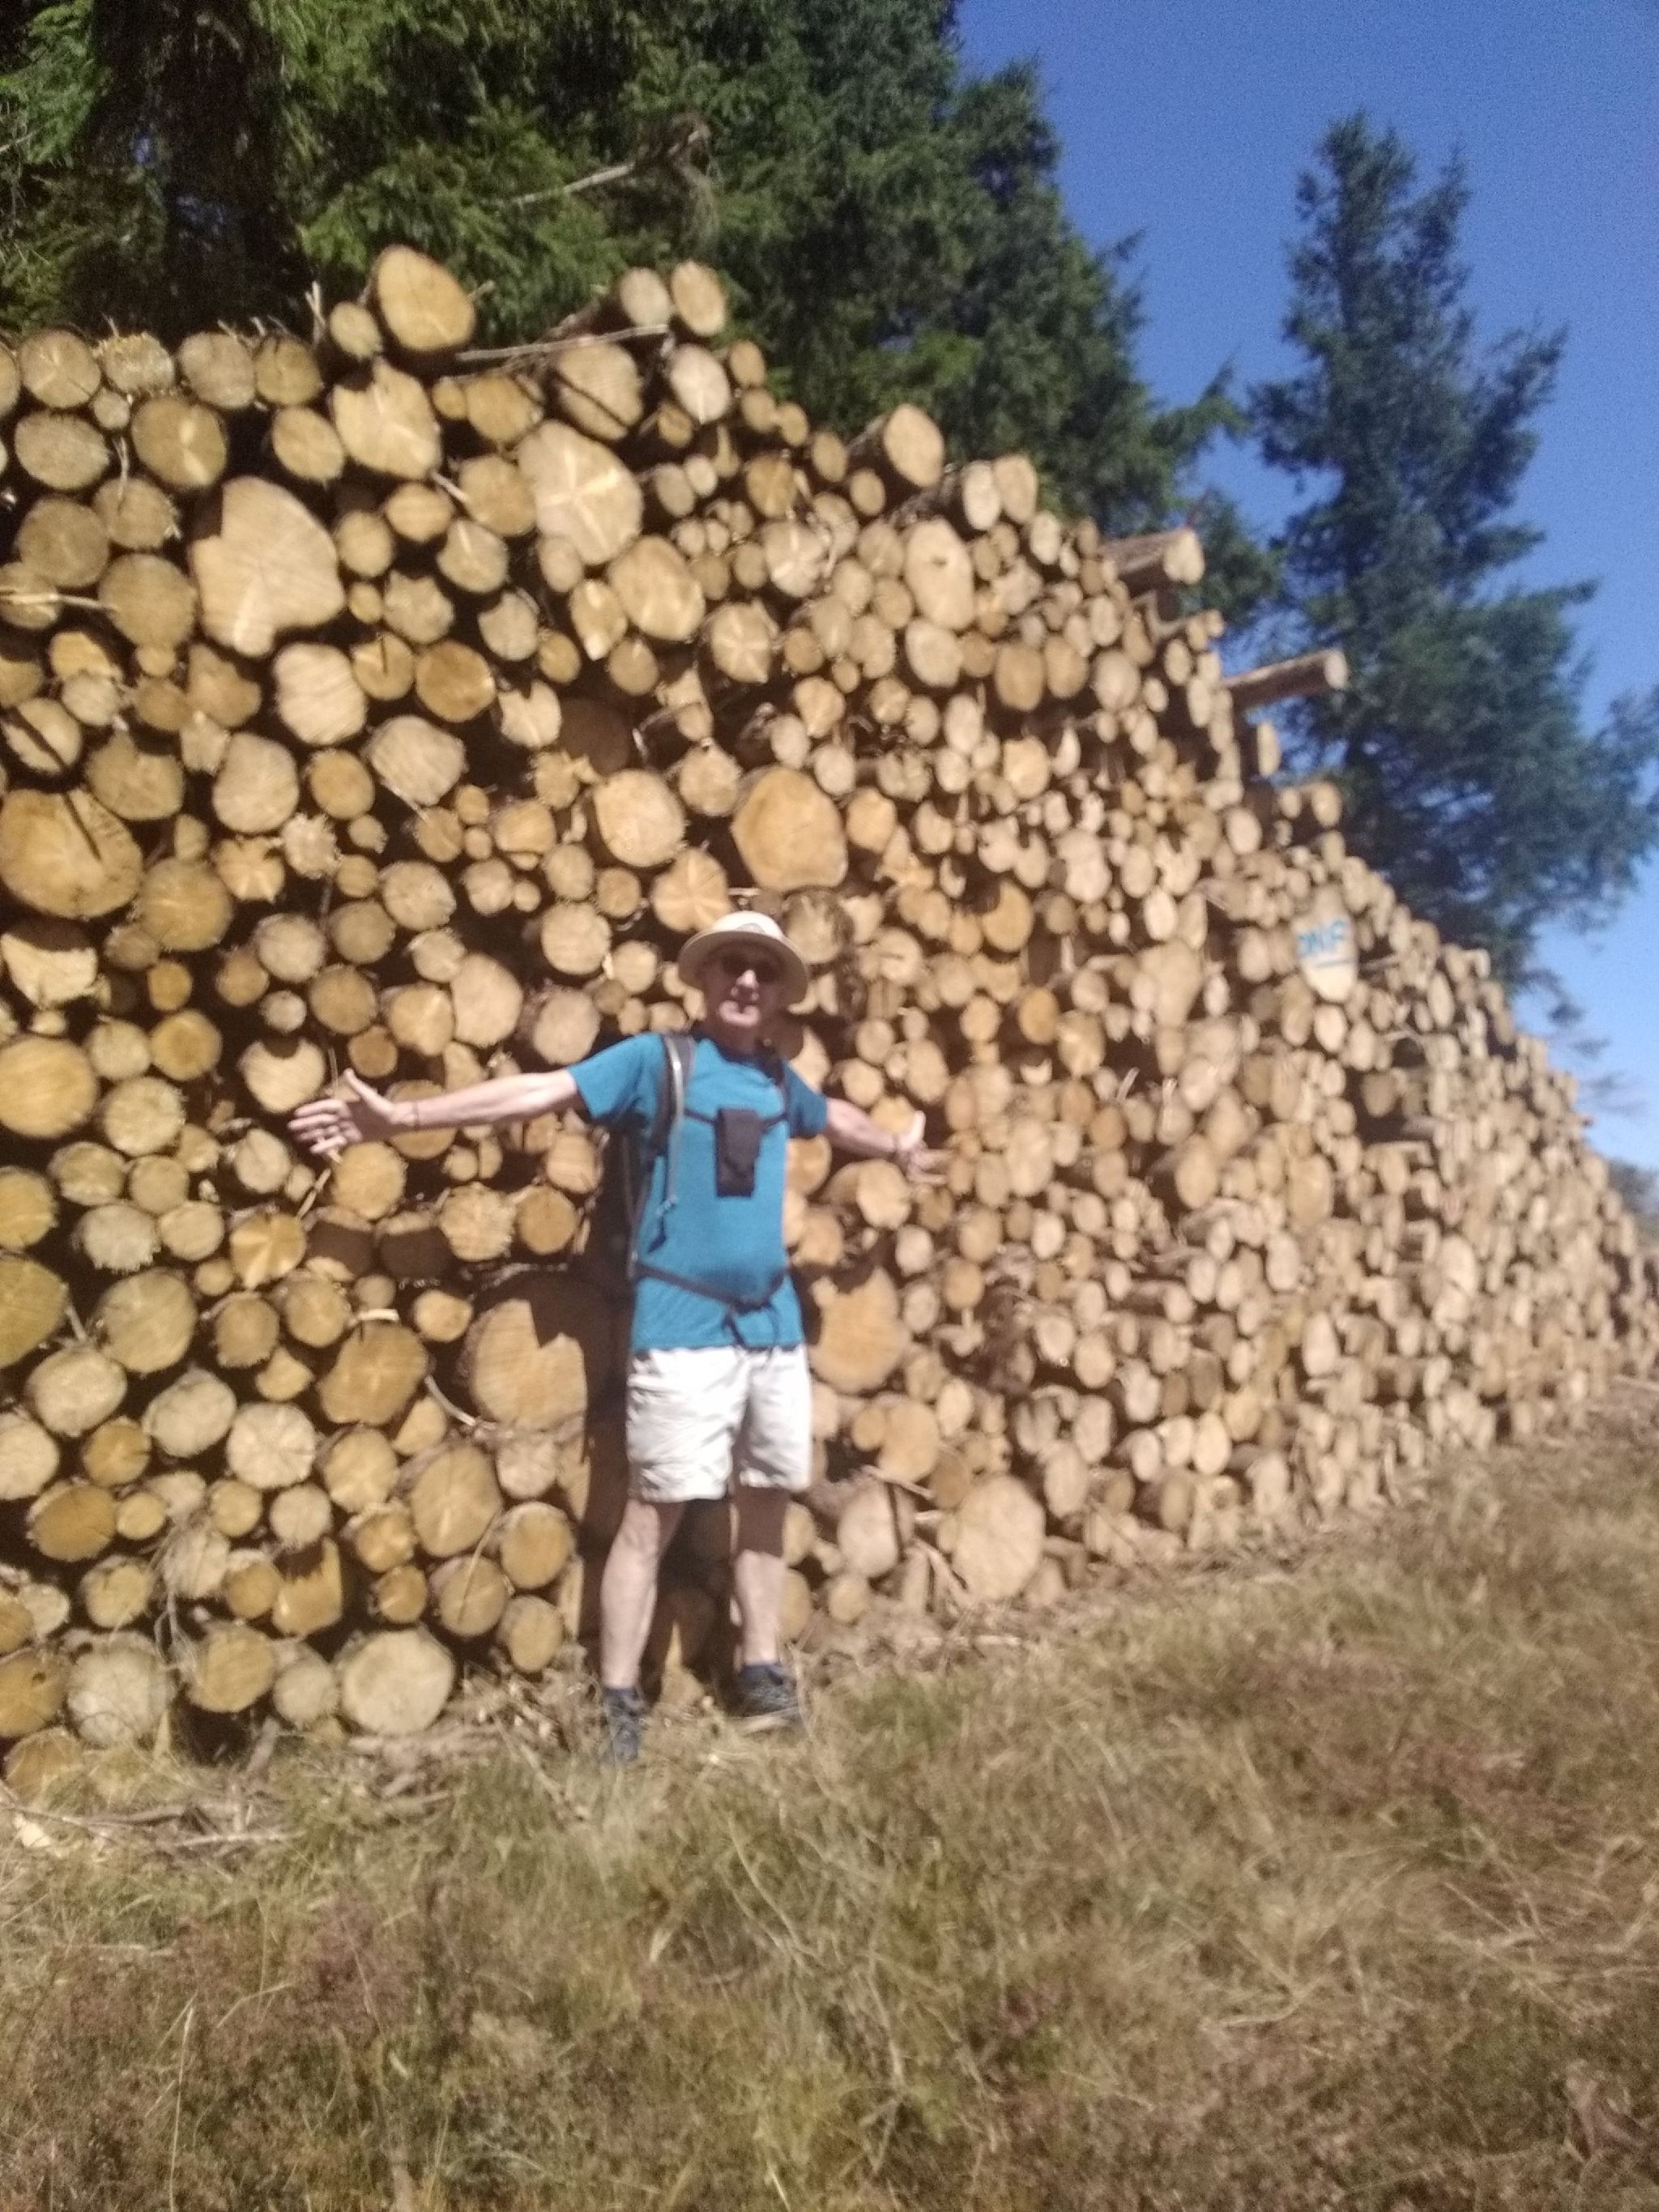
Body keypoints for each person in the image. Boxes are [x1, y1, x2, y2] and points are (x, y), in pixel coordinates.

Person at [291, 910, 941, 1763]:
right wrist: (406, 1119)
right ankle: (618, 1700)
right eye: (731, 963)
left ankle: (759, 1671)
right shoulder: (657, 1062)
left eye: (763, 968)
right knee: (651, 1516)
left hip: (772, 1331)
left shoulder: (777, 1079)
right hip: (682, 1328)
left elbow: (833, 1117)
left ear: (781, 992)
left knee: (764, 1501)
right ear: (703, 978)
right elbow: (541, 1091)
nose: (746, 979)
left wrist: (893, 1146)